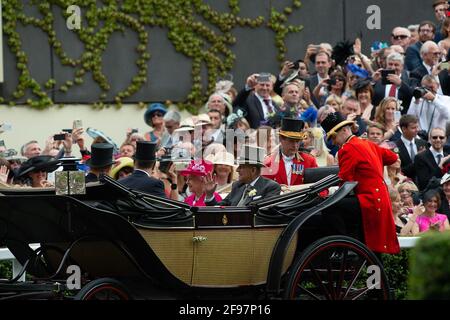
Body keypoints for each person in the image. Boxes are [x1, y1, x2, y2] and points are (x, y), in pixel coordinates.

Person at [321, 112, 400, 254]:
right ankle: (374, 274)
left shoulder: (348, 148)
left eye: (333, 137)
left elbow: (345, 180)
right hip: (379, 199)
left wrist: (327, 192)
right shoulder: (367, 143)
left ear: (345, 130)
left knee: (329, 207)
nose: (333, 142)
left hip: (369, 199)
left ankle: (341, 247)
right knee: (373, 251)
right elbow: (393, 157)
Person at [204, 145, 281, 207]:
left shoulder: (270, 187)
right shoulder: (237, 186)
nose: (237, 170)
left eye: (241, 167)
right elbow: (218, 209)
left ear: (253, 170)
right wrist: (210, 195)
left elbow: (264, 213)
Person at [263, 118, 318, 186]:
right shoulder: (268, 163)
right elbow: (264, 190)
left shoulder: (309, 161)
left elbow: (320, 186)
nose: (295, 146)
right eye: (291, 141)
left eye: (297, 141)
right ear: (281, 139)